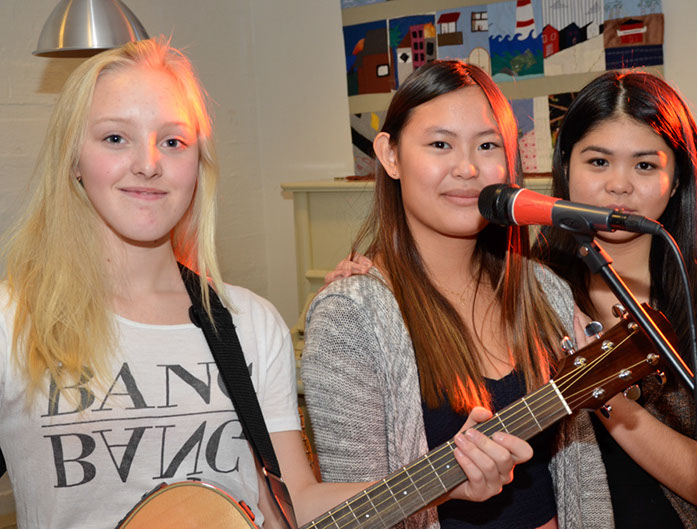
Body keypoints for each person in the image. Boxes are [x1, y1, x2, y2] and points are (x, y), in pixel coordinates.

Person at [0, 39, 524, 529]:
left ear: (198, 164)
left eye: (173, 141)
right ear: (74, 158)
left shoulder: (247, 325)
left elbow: (296, 506)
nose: (148, 164)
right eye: (116, 138)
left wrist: (441, 483)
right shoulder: (11, 322)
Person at [302, 60, 579, 529]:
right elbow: (352, 517)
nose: (468, 168)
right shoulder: (351, 317)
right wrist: (442, 482)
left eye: (487, 145)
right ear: (390, 156)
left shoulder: (544, 291)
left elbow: (579, 478)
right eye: (440, 144)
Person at [539, 70, 697, 528]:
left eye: (644, 165)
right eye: (598, 161)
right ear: (565, 167)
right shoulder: (526, 291)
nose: (619, 185)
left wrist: (604, 392)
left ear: (677, 179)